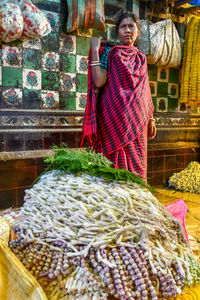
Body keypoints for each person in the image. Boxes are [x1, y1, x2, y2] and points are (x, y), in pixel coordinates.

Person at [82, 12, 157, 181]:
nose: (127, 30)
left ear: (138, 31)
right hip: (113, 119)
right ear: (117, 31)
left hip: (138, 121)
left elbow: (145, 92)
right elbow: (99, 80)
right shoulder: (110, 52)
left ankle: (136, 201)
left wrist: (151, 118)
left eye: (131, 26)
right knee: (112, 168)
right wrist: (94, 50)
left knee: (136, 166)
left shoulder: (141, 58)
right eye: (123, 26)